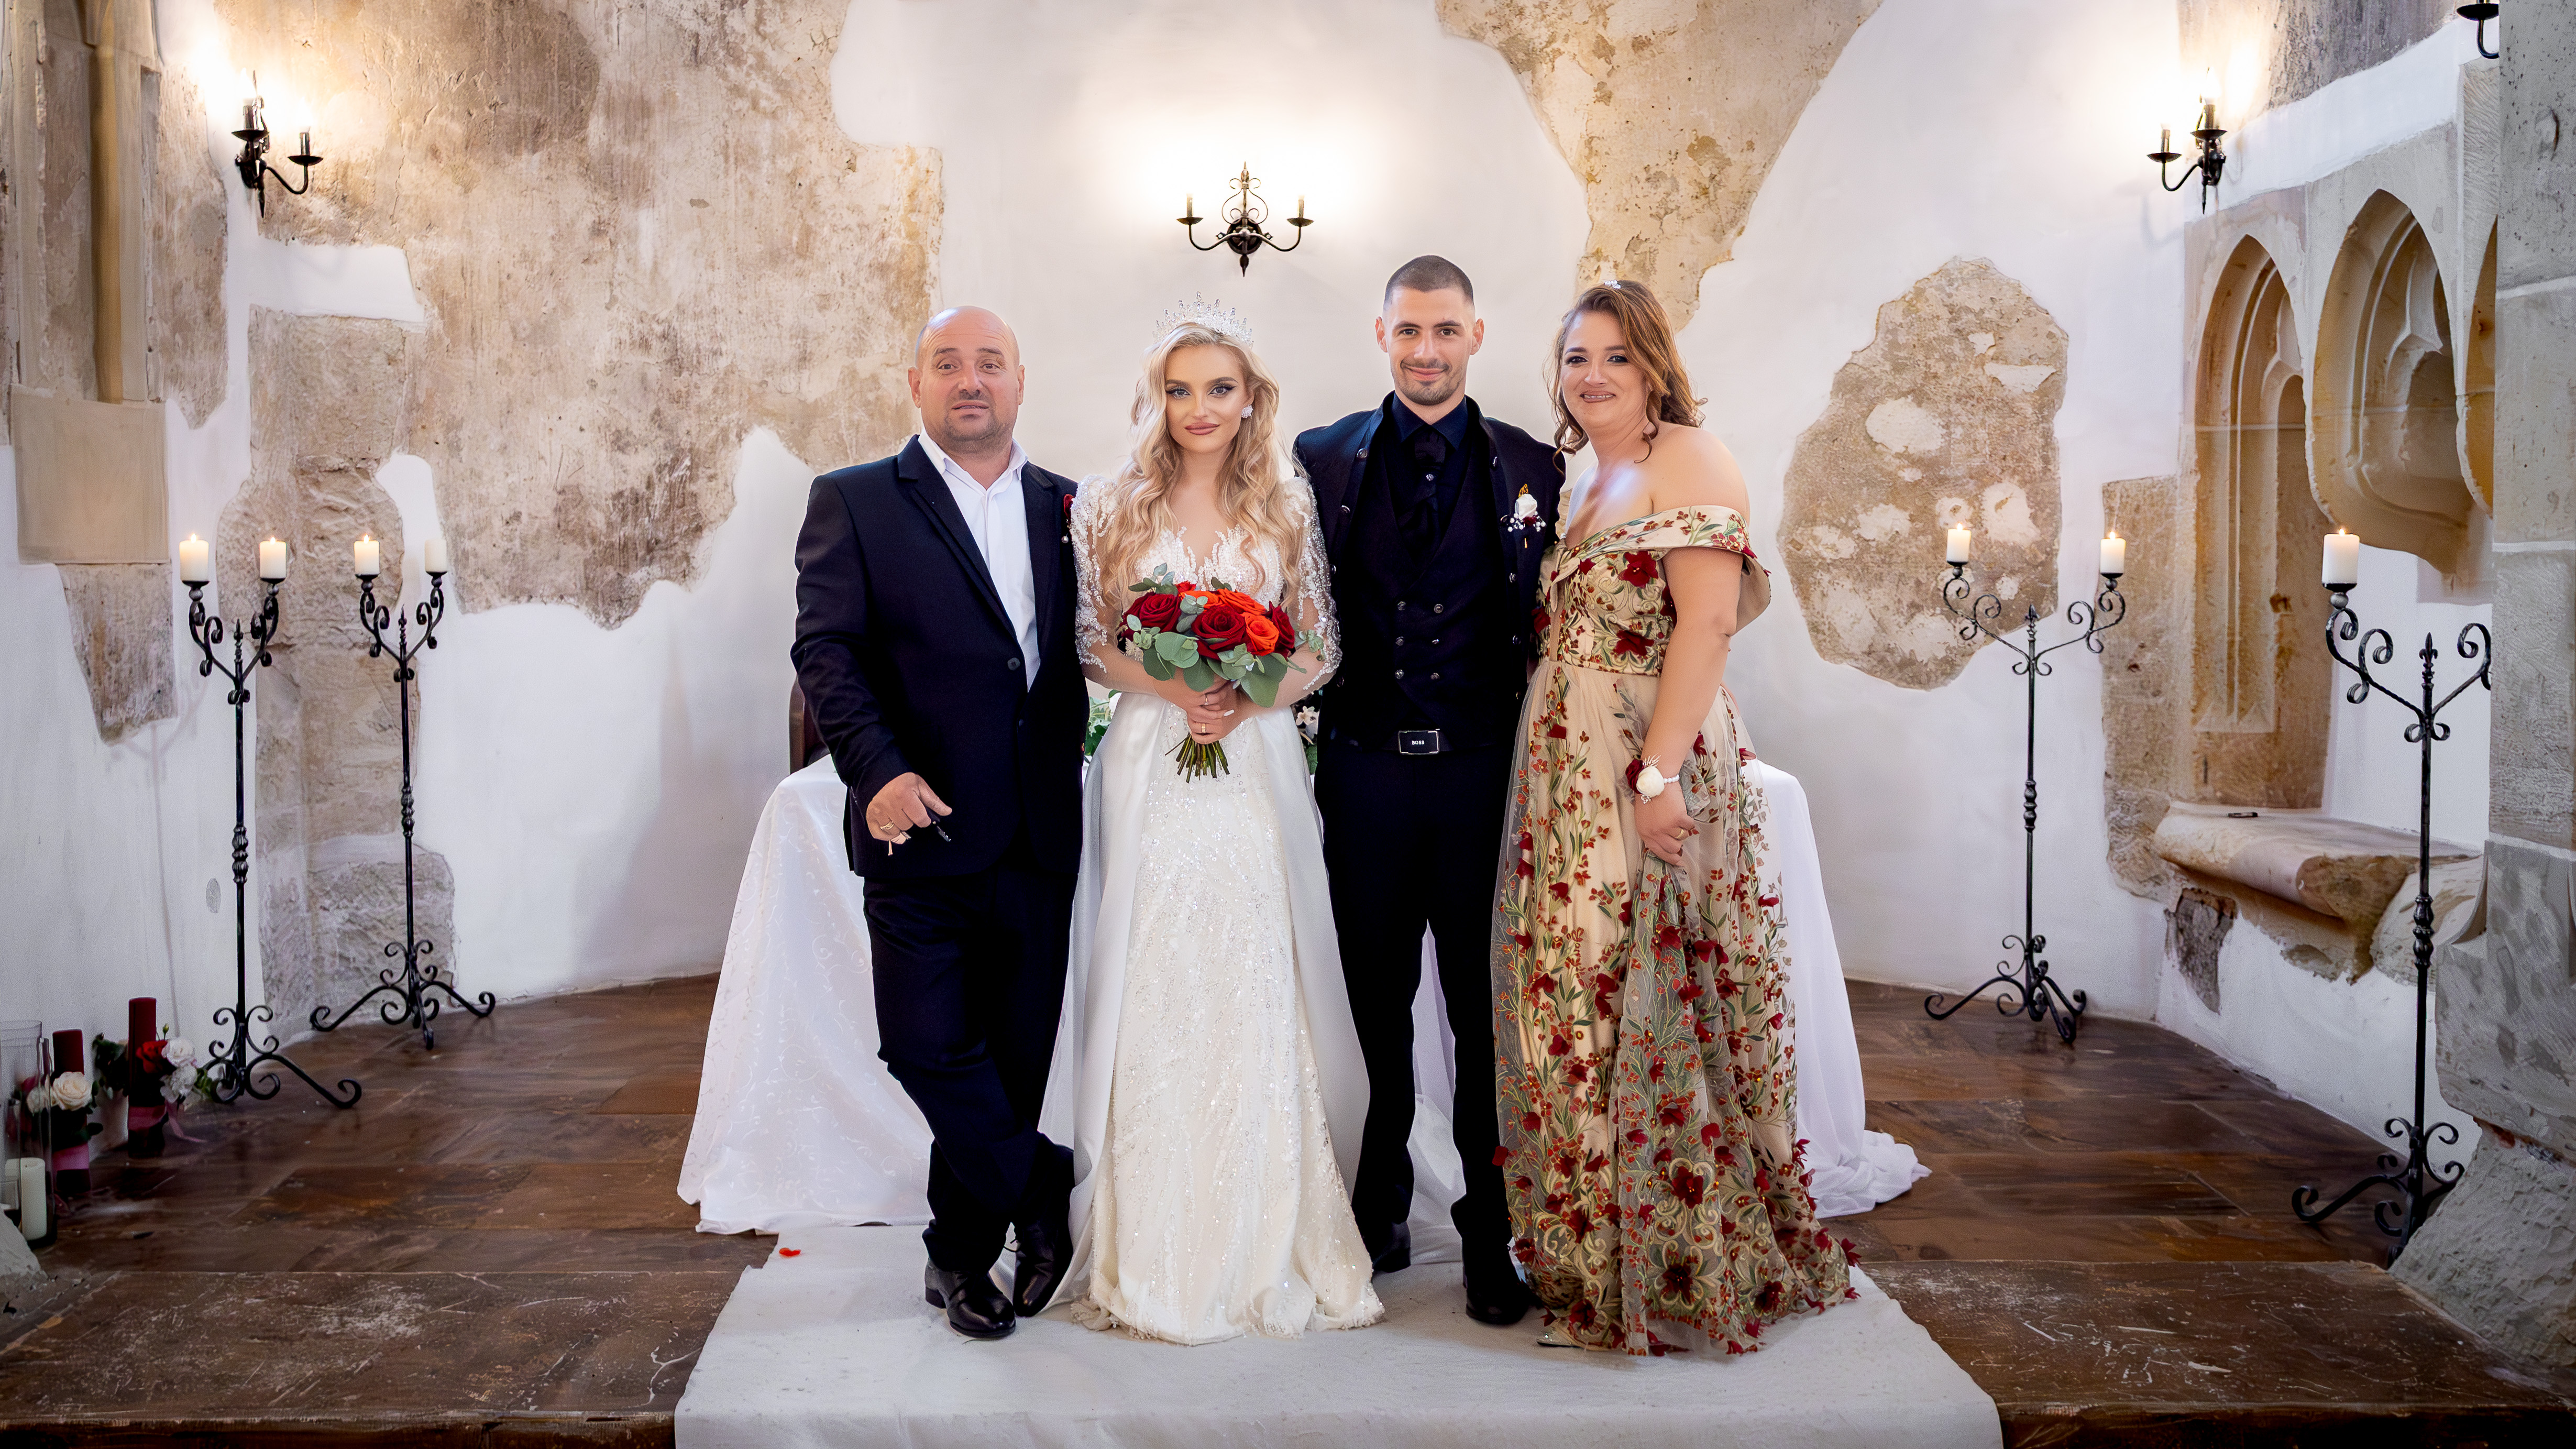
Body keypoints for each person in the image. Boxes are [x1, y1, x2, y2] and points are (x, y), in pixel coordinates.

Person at [1493, 280, 1851, 1354]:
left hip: (1641, 761)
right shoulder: (1586, 477)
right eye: (1576, 358)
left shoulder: (1690, 457)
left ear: (1655, 366)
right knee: (1578, 995)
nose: (1593, 375)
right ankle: (1592, 1253)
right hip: (1568, 765)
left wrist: (1654, 780)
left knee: (1646, 994)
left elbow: (1705, 626)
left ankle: (1675, 1255)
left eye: (1616, 356)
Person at [1053, 302, 1382, 1344]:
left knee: (1249, 966)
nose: (1198, 408)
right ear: (1156, 399)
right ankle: (1147, 1233)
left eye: (1219, 388)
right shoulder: (1106, 503)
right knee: (1153, 965)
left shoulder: (1284, 503)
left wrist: (1245, 697)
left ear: (1251, 400)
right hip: (1149, 758)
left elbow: (1320, 644)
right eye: (1179, 389)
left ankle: (1266, 1223)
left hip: (1251, 761)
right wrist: (1174, 683)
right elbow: (1089, 643)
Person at [789, 306, 1088, 1342]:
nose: (971, 380)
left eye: (990, 363)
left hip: (1040, 833)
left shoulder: (1072, 506)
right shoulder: (856, 499)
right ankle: (1041, 1185)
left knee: (1012, 1060)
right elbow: (825, 653)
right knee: (923, 1045)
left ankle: (958, 1255)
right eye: (948, 364)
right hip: (918, 826)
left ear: (1019, 382)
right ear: (913, 382)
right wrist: (875, 771)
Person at [1293, 256, 1564, 1326]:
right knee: (1370, 1010)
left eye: (1444, 330)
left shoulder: (1532, 464)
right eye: (1408, 331)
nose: (1425, 350)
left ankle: (1489, 1239)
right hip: (1360, 774)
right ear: (1381, 335)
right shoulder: (1320, 457)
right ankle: (1376, 1213)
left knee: (1482, 1016)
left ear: (1475, 336)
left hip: (1480, 780)